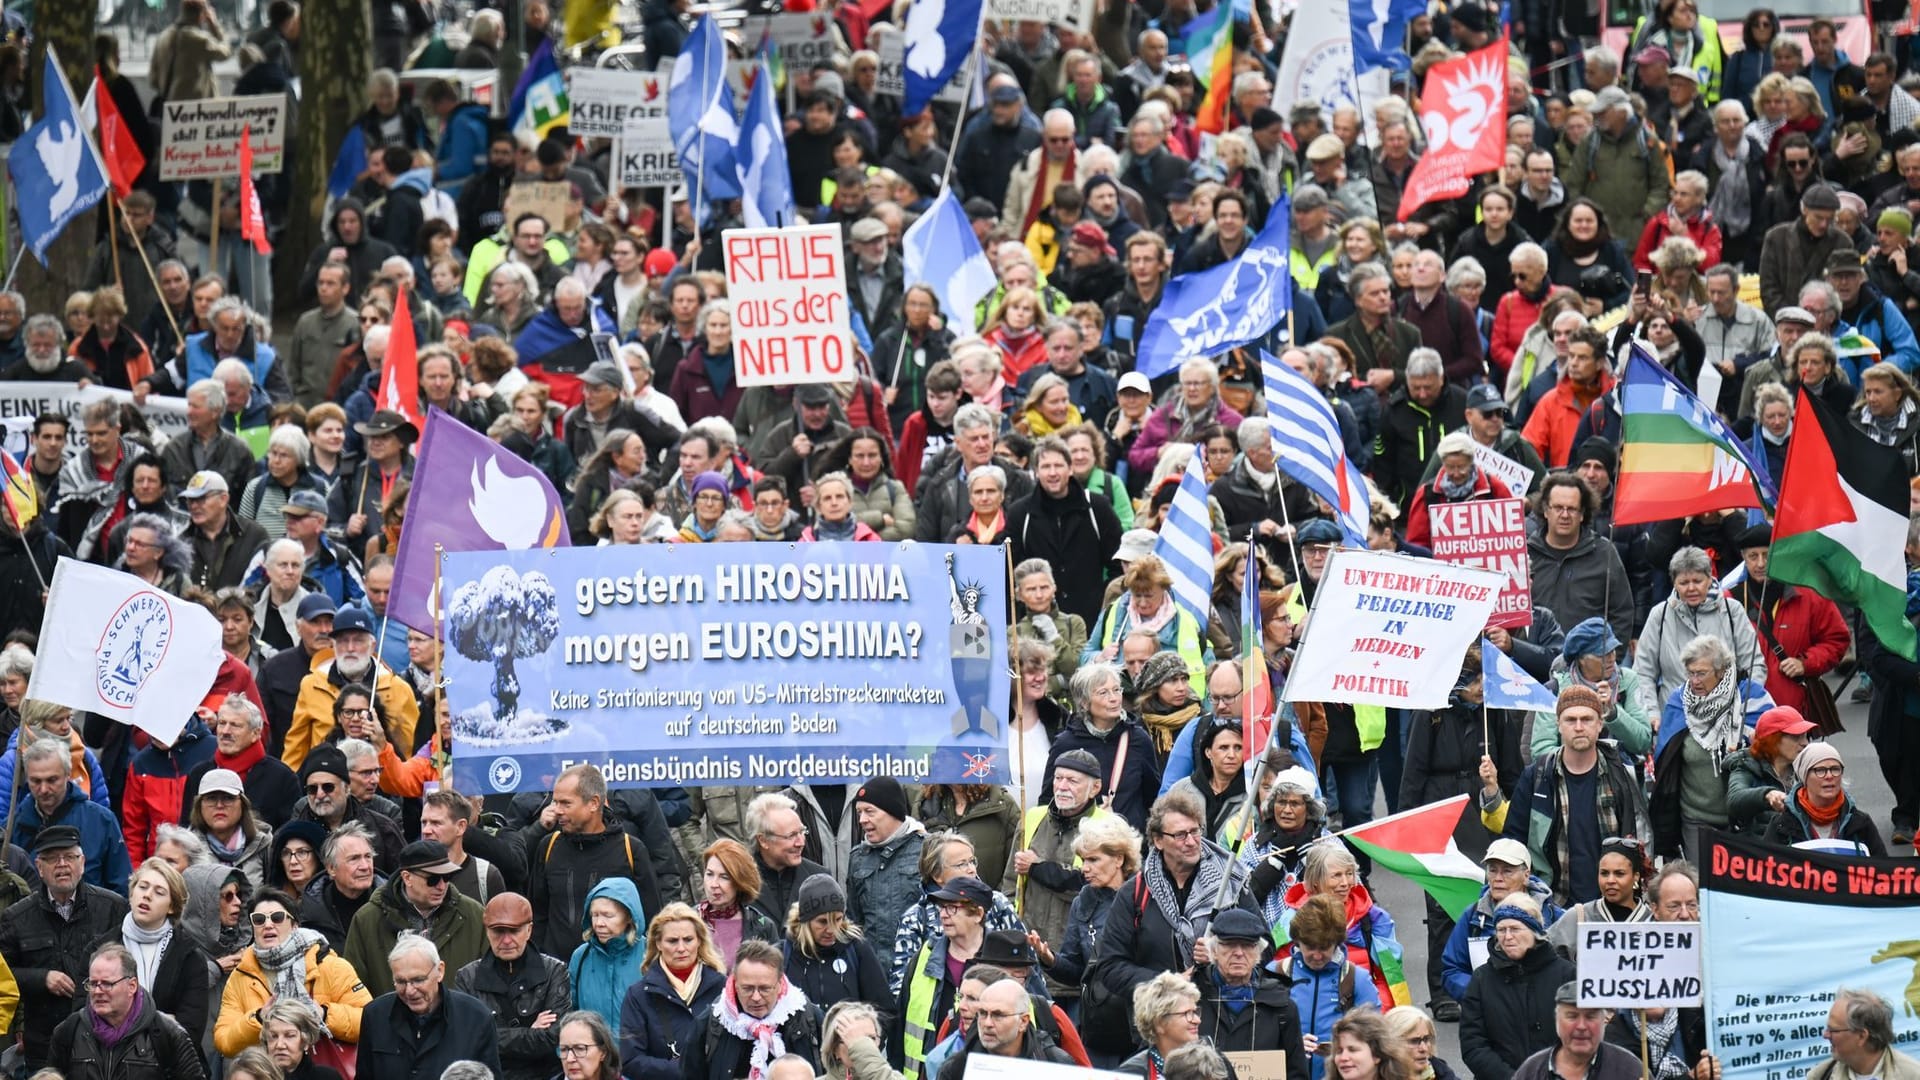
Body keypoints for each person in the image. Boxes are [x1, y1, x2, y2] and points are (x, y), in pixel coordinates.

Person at [1486, 687, 1650, 908]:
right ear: (1558, 725)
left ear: (1600, 724)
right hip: (1551, 904)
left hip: (1611, 905)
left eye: (1587, 719)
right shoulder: (1537, 777)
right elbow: (1514, 842)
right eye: (1571, 720)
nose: (1579, 727)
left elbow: (1640, 840)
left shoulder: (1621, 774)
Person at [1, 826, 129, 1071]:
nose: (62, 864)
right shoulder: (16, 917)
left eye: (69, 857)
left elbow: (130, 969)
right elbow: (3, 976)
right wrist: (41, 978)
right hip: (42, 1044)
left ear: (82, 862)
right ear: (39, 867)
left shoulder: (112, 907)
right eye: (52, 858)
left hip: (103, 1040)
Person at [1651, 635, 1775, 860]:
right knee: (1701, 887)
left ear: (1722, 671)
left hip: (1745, 818)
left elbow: (1776, 747)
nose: (1694, 681)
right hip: (1695, 819)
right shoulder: (1679, 702)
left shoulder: (1751, 698)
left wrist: (1751, 744)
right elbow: (1664, 758)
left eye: (1701, 673)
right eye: (1690, 673)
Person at [214, 888, 371, 1057]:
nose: (268, 925)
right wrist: (259, 1018)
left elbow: (369, 1022)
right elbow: (224, 1042)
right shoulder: (241, 975)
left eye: (277, 918)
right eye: (259, 920)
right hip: (265, 1072)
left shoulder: (331, 966)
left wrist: (324, 1014)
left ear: (294, 925)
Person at [48, 944, 207, 1080]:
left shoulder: (167, 1034)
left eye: (107, 984)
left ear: (132, 986)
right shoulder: (68, 1031)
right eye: (93, 983)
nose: (97, 991)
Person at [1459, 893, 1575, 1080]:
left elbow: (1580, 1035)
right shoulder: (1481, 979)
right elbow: (1473, 1045)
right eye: (1501, 930)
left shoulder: (1567, 975)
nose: (1507, 937)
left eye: (1515, 929)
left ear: (1535, 931)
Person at [357, 935, 503, 1080]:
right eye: (400, 981)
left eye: (418, 980)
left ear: (440, 971)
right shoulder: (375, 1015)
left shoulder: (476, 1018)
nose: (409, 991)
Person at [681, 940, 822, 1080]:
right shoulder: (712, 1022)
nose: (756, 997)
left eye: (764, 989)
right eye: (747, 989)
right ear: (735, 984)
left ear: (780, 984)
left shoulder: (807, 1017)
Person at [618, 902, 727, 1080]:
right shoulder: (638, 995)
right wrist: (684, 1069)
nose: (681, 948)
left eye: (688, 939)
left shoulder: (722, 987)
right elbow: (630, 1061)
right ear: (658, 943)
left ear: (699, 941)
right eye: (672, 941)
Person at [900, 875, 993, 1079]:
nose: (943, 915)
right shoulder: (924, 956)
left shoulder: (1000, 960)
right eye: (942, 907)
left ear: (978, 914)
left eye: (952, 908)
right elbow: (901, 1018)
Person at [1194, 907, 1307, 1069]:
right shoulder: (1191, 1000)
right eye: (1229, 944)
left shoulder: (1282, 1006)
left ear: (1258, 953)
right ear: (1214, 951)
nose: (1239, 953)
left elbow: (1296, 1072)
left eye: (1247, 946)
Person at [781, 875, 890, 1023]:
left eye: (838, 919)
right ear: (805, 920)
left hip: (851, 1043)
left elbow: (883, 1009)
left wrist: (869, 1039)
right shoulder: (784, 954)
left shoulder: (856, 949)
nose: (831, 930)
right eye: (822, 922)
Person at [844, 778, 927, 963]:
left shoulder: (928, 850)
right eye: (859, 812)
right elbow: (853, 921)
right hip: (873, 972)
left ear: (893, 812)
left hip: (917, 969)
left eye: (869, 812)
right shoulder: (858, 857)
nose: (862, 820)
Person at [1762, 742, 1888, 854]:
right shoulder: (1781, 824)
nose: (1829, 776)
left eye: (1835, 769)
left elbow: (1883, 870)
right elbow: (1764, 871)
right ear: (1804, 777)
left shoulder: (1860, 823)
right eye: (1820, 770)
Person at [1544, 838, 1652, 958]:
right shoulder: (1579, 917)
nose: (1610, 880)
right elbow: (1543, 955)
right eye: (1604, 873)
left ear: (1636, 876)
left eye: (1619, 874)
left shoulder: (1653, 920)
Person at [1512, 984, 1646, 1080]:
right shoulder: (1532, 1070)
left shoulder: (1629, 1069)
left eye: (1590, 1016)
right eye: (1572, 1016)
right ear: (1557, 1020)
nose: (1581, 1026)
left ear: (1604, 1020)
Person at [1727, 706, 1818, 835]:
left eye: (1805, 736)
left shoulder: (1807, 766)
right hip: (1761, 848)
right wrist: (1767, 795)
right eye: (1796, 737)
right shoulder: (1745, 765)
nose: (1805, 743)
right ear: (1772, 740)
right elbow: (1734, 799)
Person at [702, 836, 783, 967]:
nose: (714, 884)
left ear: (740, 883)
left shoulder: (762, 926)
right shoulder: (689, 921)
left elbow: (776, 976)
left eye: (724, 877)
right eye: (709, 874)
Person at [260, 997, 346, 1080]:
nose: (280, 1045)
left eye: (289, 1035)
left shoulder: (327, 1077)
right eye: (273, 1036)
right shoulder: (253, 1076)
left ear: (305, 1041)